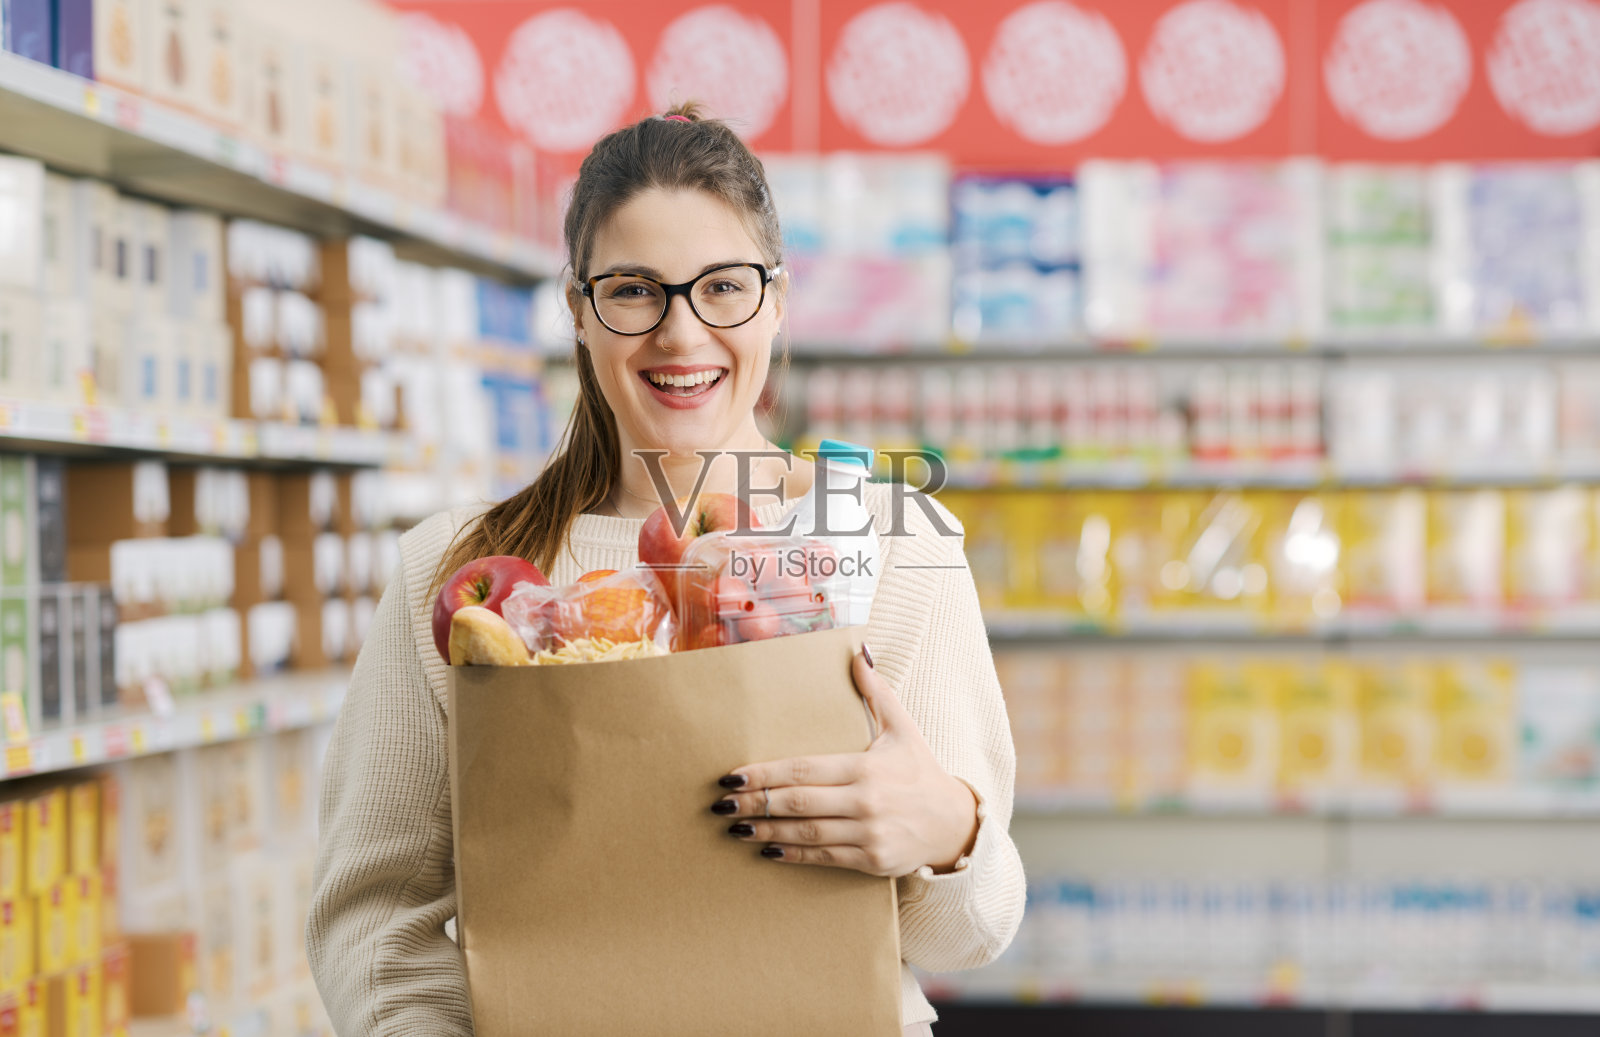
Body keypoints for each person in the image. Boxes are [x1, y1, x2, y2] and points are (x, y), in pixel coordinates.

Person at [307, 103, 1025, 1035]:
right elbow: (373, 918)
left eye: (723, 287)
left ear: (776, 299)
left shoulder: (891, 543)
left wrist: (946, 832)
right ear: (578, 309)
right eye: (636, 290)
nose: (682, 335)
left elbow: (973, 928)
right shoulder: (460, 574)